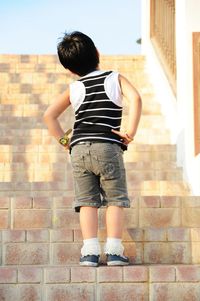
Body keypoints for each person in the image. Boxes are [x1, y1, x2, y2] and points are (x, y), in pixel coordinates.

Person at [43, 31, 142, 267]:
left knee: (87, 201)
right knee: (115, 199)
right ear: (97, 53)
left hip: (79, 149)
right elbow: (136, 98)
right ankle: (115, 251)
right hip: (107, 146)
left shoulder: (74, 87)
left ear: (70, 68)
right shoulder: (114, 77)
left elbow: (49, 116)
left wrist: (67, 144)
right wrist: (130, 133)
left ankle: (90, 252)